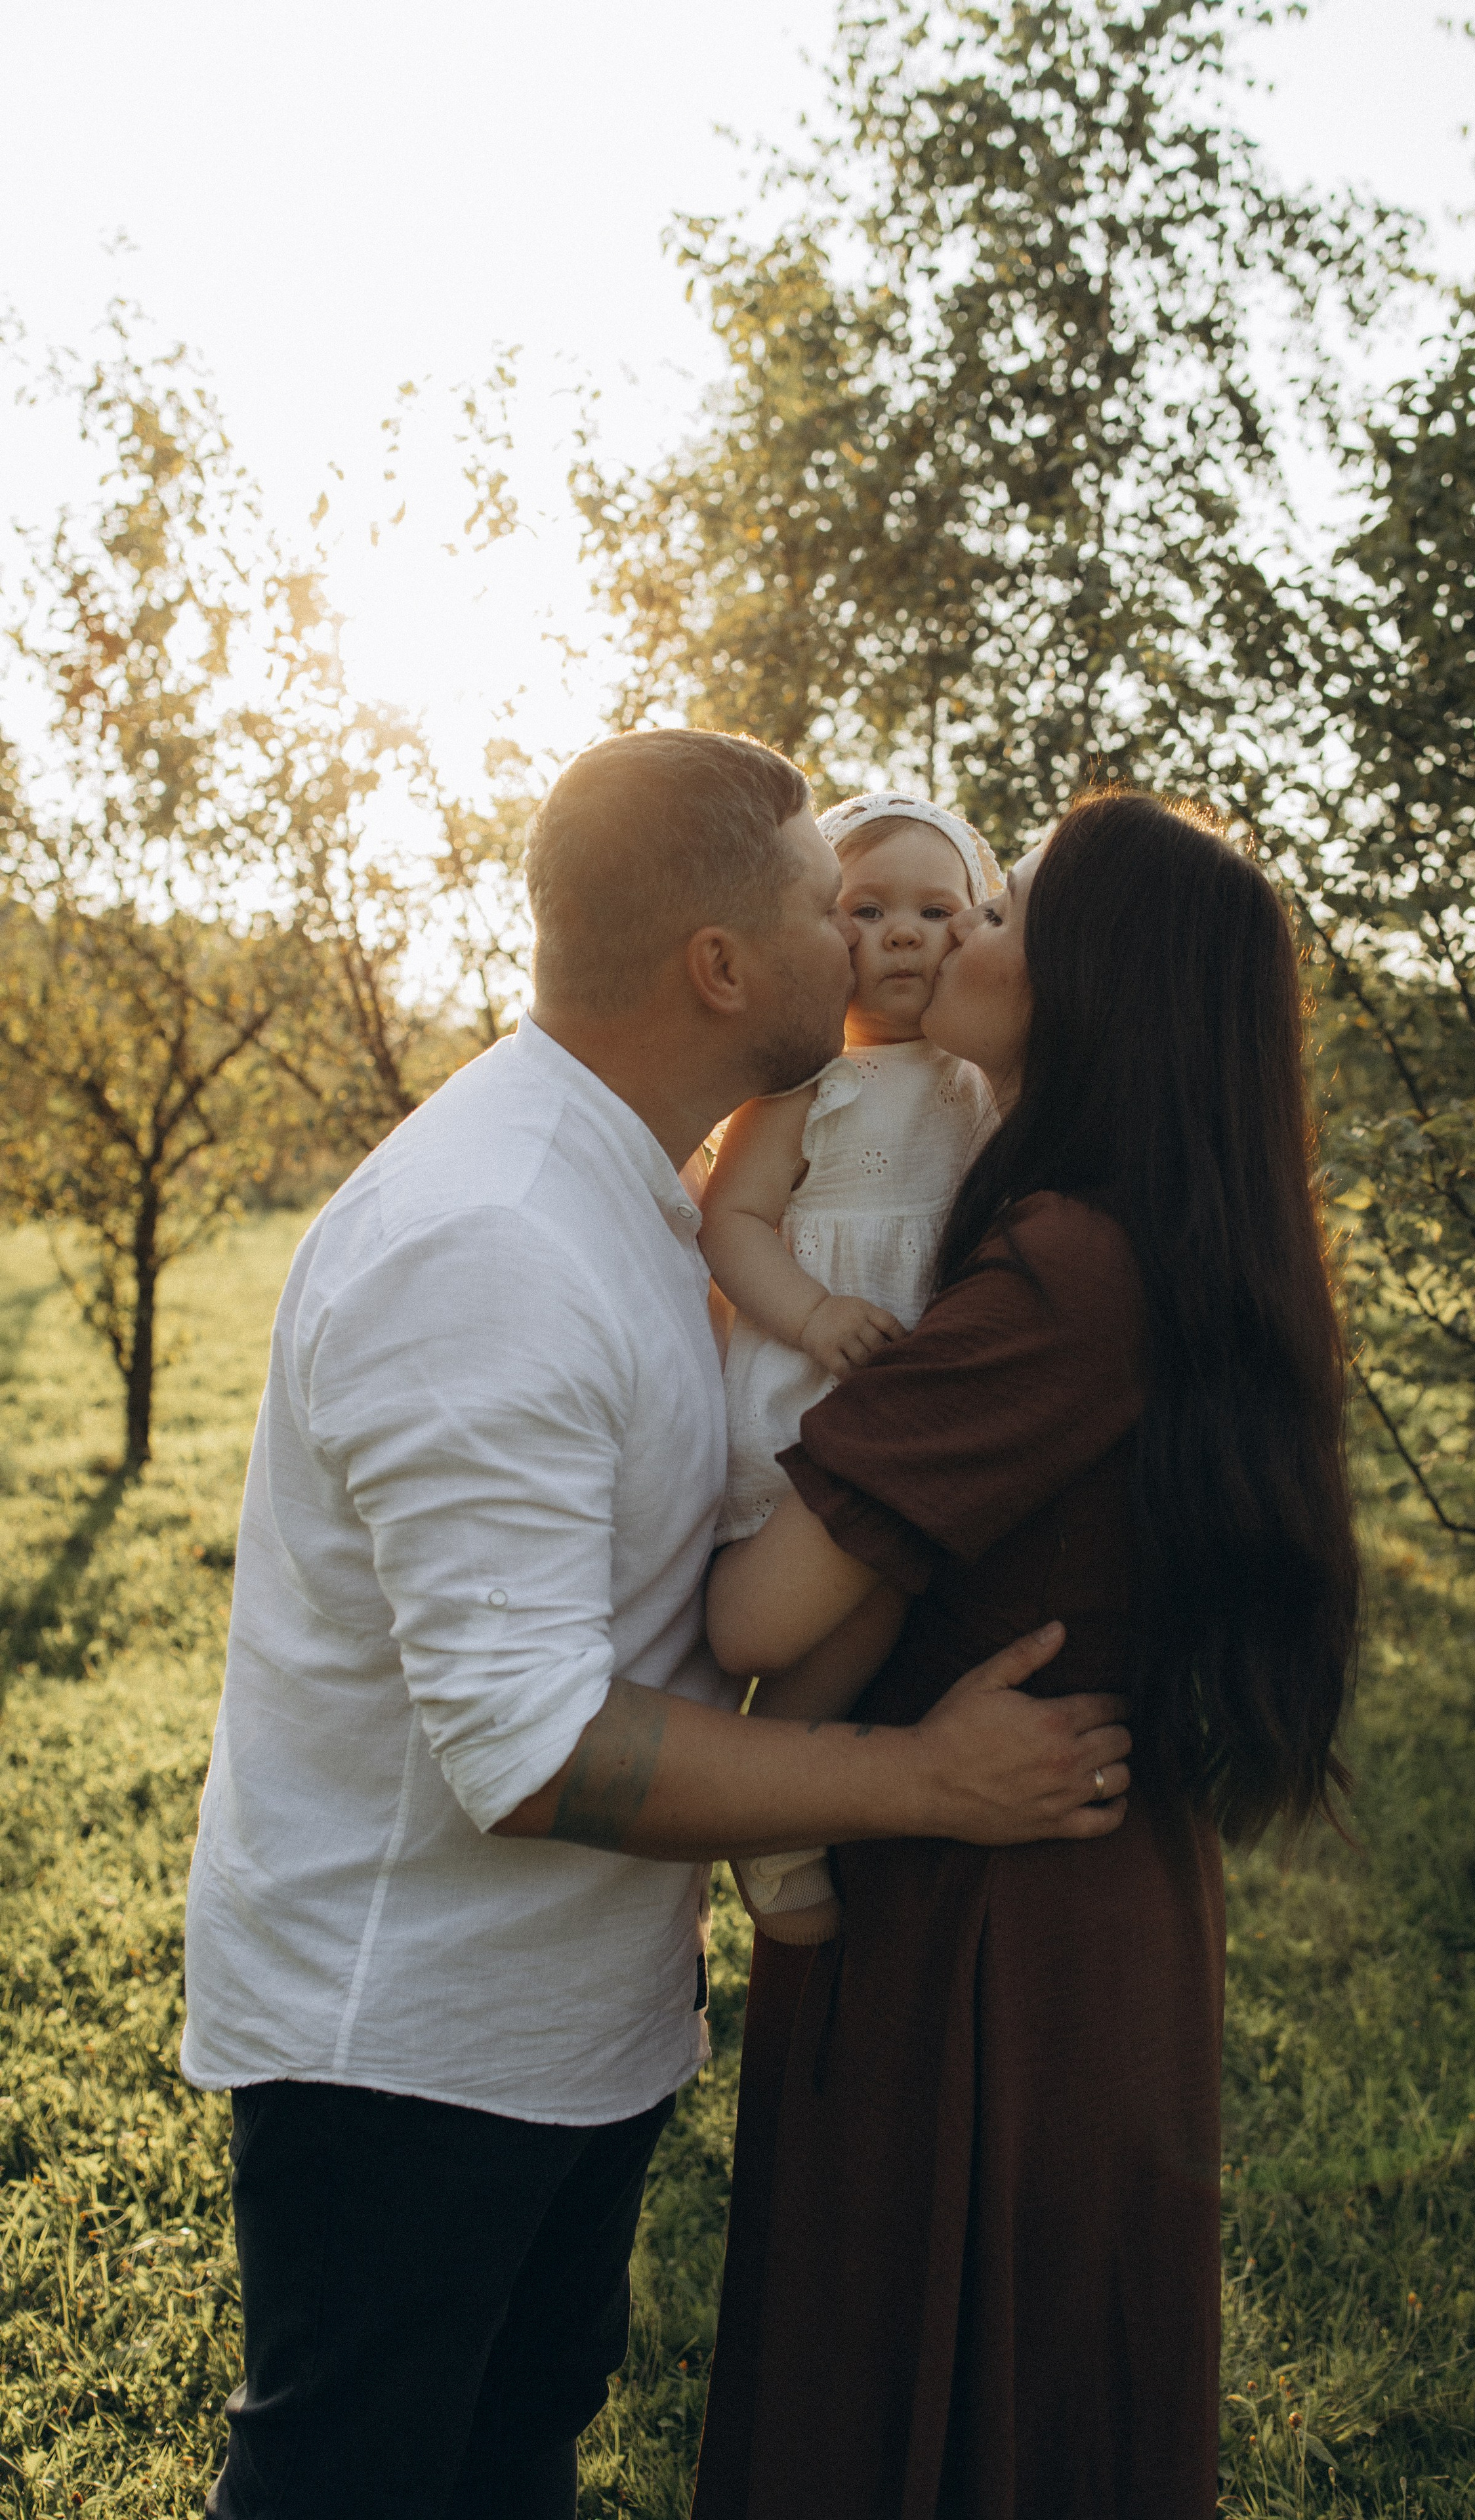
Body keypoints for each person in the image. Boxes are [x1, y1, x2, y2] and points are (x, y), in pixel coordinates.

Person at [178, 730, 1134, 2520]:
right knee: (364, 2476)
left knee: (513, 2447)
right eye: (815, 897)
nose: (859, 934)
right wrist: (920, 1783)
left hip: (572, 2018)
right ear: (721, 966)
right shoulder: (492, 1241)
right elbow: (532, 1751)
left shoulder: (640, 1182)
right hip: (411, 2045)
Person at [690, 789, 1361, 2520]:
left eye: (1000, 917)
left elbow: (760, 1619)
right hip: (1057, 1874)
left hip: (982, 1915)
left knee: (929, 2402)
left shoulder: (1066, 1269)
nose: (954, 938)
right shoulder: (1142, 1225)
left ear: (1089, 988)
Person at [699, 791, 1001, 1940]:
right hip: (807, 1386)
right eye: (867, 910)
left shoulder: (974, 1080)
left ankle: (781, 1788)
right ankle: (770, 1808)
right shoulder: (804, 1079)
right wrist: (814, 1313)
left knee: (885, 1603)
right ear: (820, 935)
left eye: (939, 909)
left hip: (913, 1393)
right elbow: (734, 1222)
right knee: (849, 1590)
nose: (907, 934)